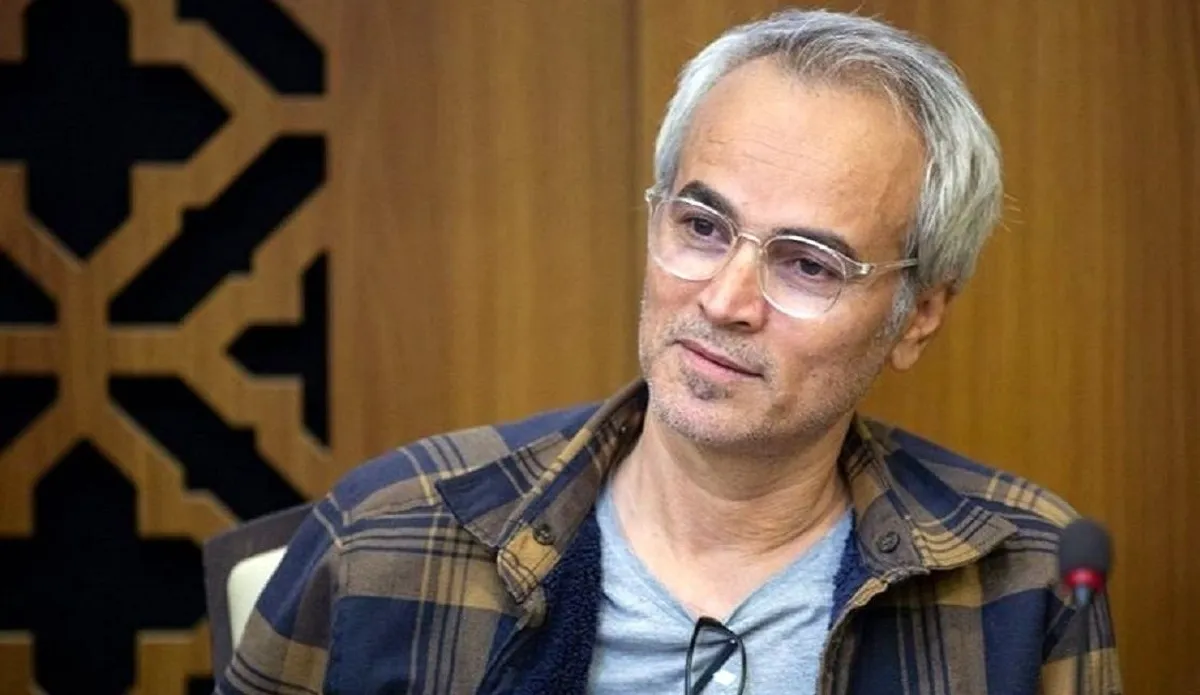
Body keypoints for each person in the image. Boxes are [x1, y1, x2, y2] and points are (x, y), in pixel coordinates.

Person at [216, 8, 1121, 695]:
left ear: (918, 314)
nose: (724, 300)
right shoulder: (390, 536)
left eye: (808, 264)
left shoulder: (1024, 580)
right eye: (701, 226)